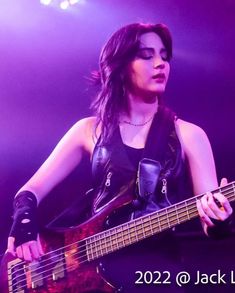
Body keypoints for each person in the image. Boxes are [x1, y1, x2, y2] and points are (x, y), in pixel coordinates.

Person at [6, 23, 233, 292]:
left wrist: (220, 221)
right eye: (147, 55)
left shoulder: (190, 135)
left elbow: (210, 215)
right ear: (121, 65)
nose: (160, 63)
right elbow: (30, 191)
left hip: (155, 274)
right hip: (90, 275)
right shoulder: (89, 130)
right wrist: (24, 226)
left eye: (164, 55)